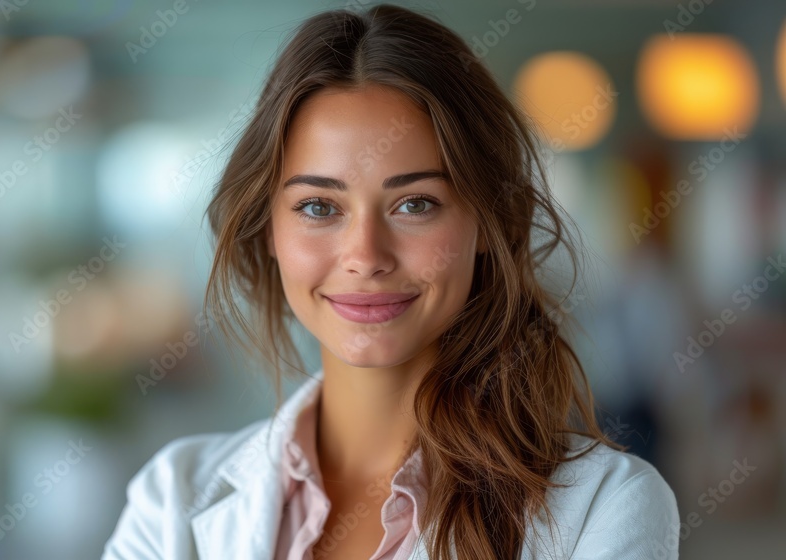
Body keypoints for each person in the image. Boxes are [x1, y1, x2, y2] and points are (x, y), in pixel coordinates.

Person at [101, 4, 680, 559]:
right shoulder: (172, 498)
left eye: (415, 203)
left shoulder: (603, 506)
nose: (365, 256)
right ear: (268, 231)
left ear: (490, 224)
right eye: (319, 207)